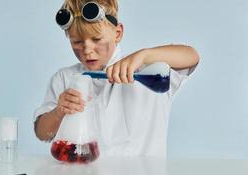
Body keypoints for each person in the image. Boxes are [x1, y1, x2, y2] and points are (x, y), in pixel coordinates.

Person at [33, 0, 200, 158]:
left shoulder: (148, 70)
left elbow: (191, 56)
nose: (87, 50)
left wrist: (144, 55)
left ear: (118, 33)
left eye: (96, 39)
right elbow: (42, 133)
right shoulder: (65, 78)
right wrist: (59, 112)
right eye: (76, 42)